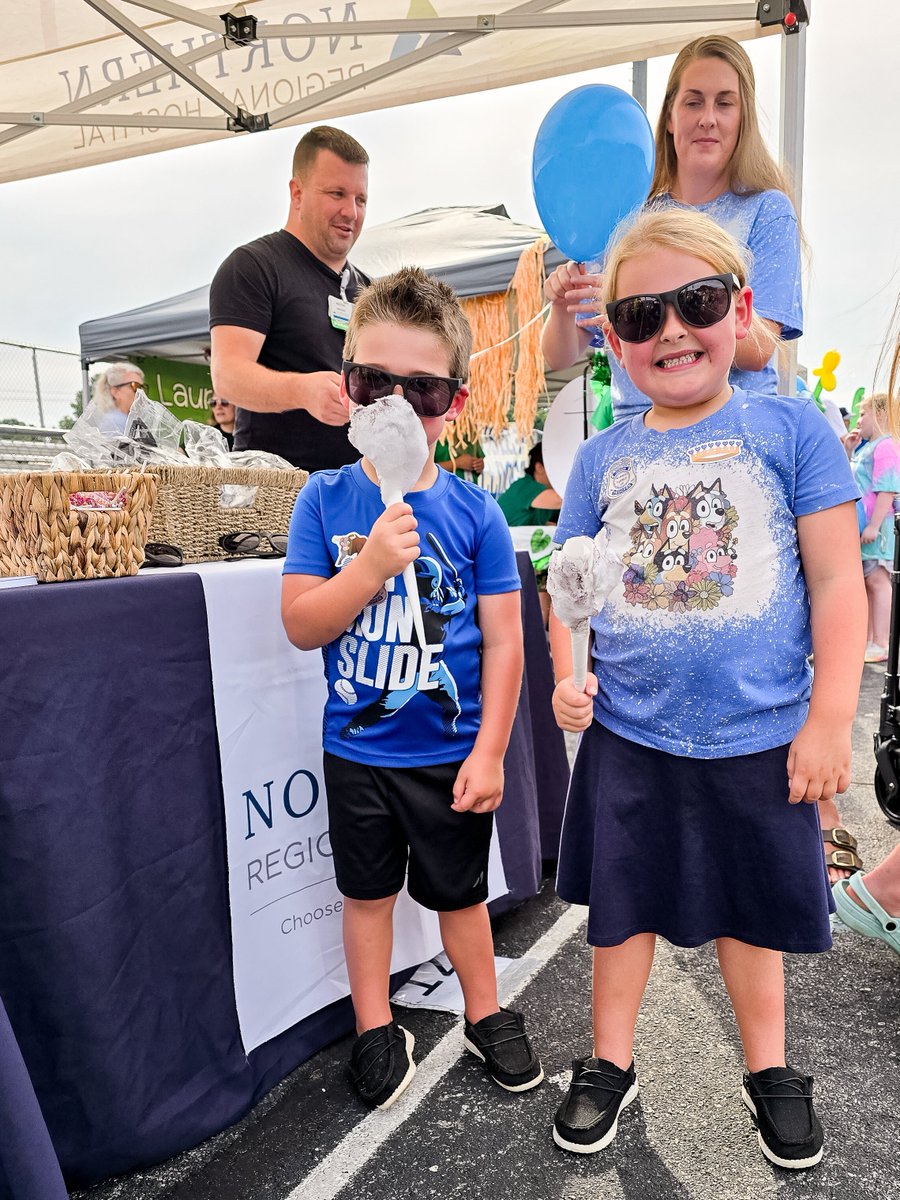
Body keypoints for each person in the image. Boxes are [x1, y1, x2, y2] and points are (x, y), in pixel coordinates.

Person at [547, 208, 865, 1168]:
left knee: (751, 916)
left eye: (698, 302)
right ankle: (611, 1059)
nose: (672, 330)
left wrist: (831, 718)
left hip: (759, 736)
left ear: (742, 307)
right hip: (632, 735)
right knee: (622, 909)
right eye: (641, 316)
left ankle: (767, 1067)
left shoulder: (794, 429)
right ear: (613, 339)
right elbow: (573, 583)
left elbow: (838, 580)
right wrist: (572, 674)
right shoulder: (602, 457)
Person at [280, 266, 542, 1111]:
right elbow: (302, 622)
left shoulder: (477, 514)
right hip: (357, 750)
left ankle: (485, 1011)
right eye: (372, 382)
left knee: (460, 898)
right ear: (348, 386)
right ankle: (372, 1023)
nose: (395, 404)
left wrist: (493, 749)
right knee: (366, 899)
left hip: (448, 753)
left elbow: (506, 640)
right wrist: (369, 569)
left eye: (421, 388)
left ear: (451, 405)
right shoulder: (323, 499)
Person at [541, 34, 802, 423]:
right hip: (639, 434)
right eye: (693, 101)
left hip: (736, 432)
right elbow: (561, 355)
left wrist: (659, 313)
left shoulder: (768, 210)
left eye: (725, 103)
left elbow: (760, 347)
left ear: (742, 118)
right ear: (668, 116)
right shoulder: (626, 217)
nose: (707, 118)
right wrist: (563, 309)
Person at [209, 125, 371, 473]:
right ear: (297, 193)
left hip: (358, 491)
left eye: (360, 199)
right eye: (337, 193)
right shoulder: (253, 267)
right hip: (277, 496)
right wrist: (302, 391)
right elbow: (228, 376)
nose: (351, 212)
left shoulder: (369, 291)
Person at [844, 393, 900, 664]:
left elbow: (888, 489)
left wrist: (875, 526)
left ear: (878, 414)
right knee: (868, 583)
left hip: (878, 527)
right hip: (866, 527)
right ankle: (868, 641)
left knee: (878, 580)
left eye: (863, 414)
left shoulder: (886, 445)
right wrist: (850, 451)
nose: (859, 420)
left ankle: (881, 642)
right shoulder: (869, 446)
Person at [497, 442, 562, 527]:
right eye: (558, 466)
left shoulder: (548, 494)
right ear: (539, 467)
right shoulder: (524, 486)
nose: (561, 472)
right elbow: (560, 500)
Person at [90, 362, 145, 434]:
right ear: (115, 392)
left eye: (142, 388)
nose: (141, 392)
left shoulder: (125, 419)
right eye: (135, 386)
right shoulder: (115, 422)